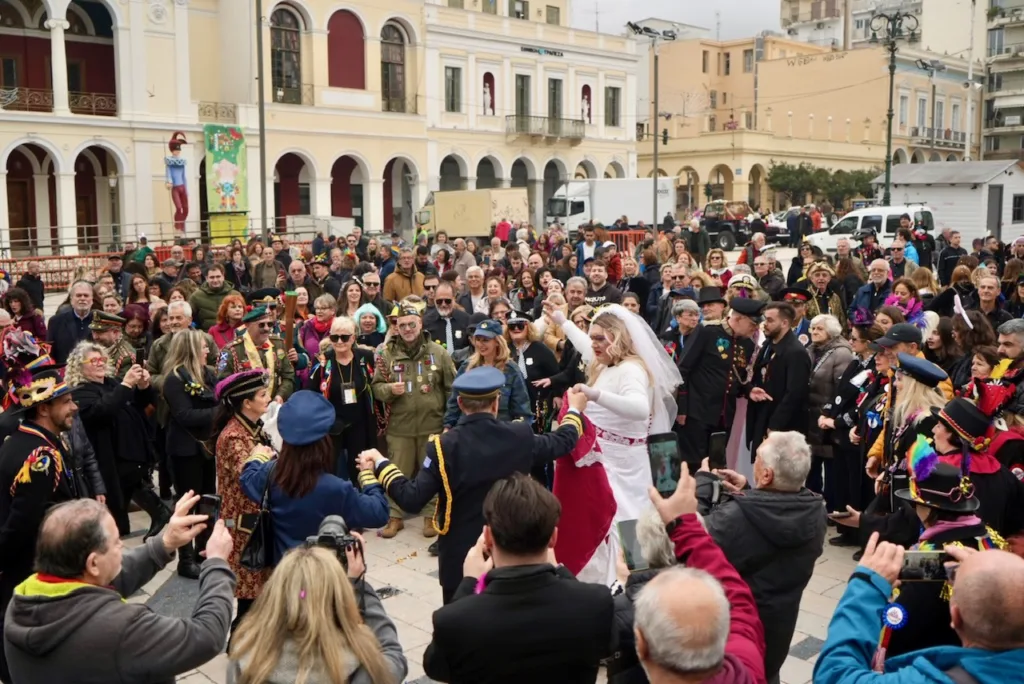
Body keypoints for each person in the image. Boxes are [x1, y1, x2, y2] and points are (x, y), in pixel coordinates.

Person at [362, 367, 585, 603]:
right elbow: (563, 441)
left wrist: (381, 463)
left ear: (460, 403)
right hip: (511, 551)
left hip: (461, 557)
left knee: (461, 623)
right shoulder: (519, 435)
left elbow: (412, 497)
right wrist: (574, 410)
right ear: (496, 403)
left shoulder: (443, 446)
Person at [3, 494, 236, 684]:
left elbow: (101, 586)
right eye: (115, 542)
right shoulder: (120, 630)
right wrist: (217, 563)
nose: (121, 545)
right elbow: (206, 636)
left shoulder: (23, 600)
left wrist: (164, 543)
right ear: (93, 563)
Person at [420, 473, 613, 681]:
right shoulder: (595, 603)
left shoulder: (454, 620)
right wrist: (560, 569)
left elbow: (436, 667)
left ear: (488, 537)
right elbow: (608, 645)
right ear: (553, 538)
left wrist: (468, 584)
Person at [545, 303, 682, 584]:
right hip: (606, 459)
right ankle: (602, 581)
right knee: (602, 520)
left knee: (626, 519)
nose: (593, 343)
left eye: (600, 338)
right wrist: (563, 321)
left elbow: (639, 408)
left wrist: (594, 396)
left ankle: (633, 582)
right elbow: (586, 346)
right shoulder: (608, 363)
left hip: (625, 465)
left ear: (618, 339)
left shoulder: (631, 369)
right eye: (592, 336)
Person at [697, 431, 826, 683]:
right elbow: (778, 515)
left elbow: (693, 540)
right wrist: (750, 490)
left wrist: (702, 485)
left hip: (733, 636)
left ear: (767, 475)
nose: (755, 463)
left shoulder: (734, 519)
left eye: (757, 458)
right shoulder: (817, 511)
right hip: (777, 635)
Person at [635, 463, 767, 684]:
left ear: (641, 645)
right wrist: (686, 527)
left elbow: (739, 603)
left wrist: (684, 526)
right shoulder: (746, 669)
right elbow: (741, 603)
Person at [240, 391, 390, 563]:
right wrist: (367, 475)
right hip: (324, 578)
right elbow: (378, 513)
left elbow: (246, 479)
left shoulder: (271, 474)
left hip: (283, 574)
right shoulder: (335, 488)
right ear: (324, 442)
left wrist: (258, 457)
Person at [0, 364, 80, 684]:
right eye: (66, 401)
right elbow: (23, 524)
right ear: (44, 408)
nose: (75, 406)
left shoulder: (22, 439)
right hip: (30, 574)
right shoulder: (41, 455)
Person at [227, 544, 407, 684]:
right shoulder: (364, 667)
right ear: (339, 600)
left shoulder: (244, 659)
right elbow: (393, 656)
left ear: (274, 597)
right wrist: (359, 585)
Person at [371, 299, 456, 540]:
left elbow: (452, 389)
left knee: (431, 472)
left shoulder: (438, 353)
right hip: (400, 426)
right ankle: (395, 516)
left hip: (433, 425)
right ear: (396, 327)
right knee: (397, 470)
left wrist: (450, 422)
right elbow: (376, 387)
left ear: (420, 324)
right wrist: (389, 390)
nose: (407, 329)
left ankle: (431, 515)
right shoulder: (387, 354)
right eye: (402, 325)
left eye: (412, 324)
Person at [67, 340, 167, 539]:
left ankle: (156, 515)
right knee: (116, 500)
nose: (100, 363)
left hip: (129, 451)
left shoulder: (111, 382)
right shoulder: (80, 390)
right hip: (107, 456)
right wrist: (127, 384)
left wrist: (143, 386)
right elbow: (101, 411)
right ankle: (154, 516)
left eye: (102, 359)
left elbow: (138, 404)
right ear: (79, 365)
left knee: (128, 490)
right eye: (93, 360)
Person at [212, 370, 274, 636]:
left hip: (255, 521)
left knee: (259, 592)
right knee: (249, 597)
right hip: (243, 528)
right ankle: (237, 645)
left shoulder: (253, 428)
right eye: (262, 395)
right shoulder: (234, 436)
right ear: (246, 403)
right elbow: (250, 478)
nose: (268, 398)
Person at [675, 298, 762, 470]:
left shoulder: (747, 344)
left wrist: (749, 390)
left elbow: (738, 377)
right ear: (738, 319)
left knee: (716, 464)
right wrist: (682, 409)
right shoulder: (707, 332)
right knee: (694, 463)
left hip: (723, 416)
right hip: (696, 411)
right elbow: (682, 370)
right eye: (752, 324)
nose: (755, 329)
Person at [162, 329, 218, 579]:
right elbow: (185, 415)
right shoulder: (174, 380)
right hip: (185, 450)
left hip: (206, 448)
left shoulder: (208, 374)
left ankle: (203, 551)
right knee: (187, 504)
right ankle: (185, 560)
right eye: (203, 347)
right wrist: (220, 412)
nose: (207, 351)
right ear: (192, 350)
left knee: (207, 501)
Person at [307, 316, 377, 481]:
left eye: (344, 337)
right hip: (332, 425)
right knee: (331, 470)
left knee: (359, 471)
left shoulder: (365, 357)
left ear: (353, 338)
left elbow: (375, 385)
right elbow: (310, 392)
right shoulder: (323, 361)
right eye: (334, 337)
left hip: (359, 423)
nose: (339, 341)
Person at [747, 302, 812, 458]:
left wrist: (775, 425)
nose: (765, 324)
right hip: (763, 415)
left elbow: (795, 393)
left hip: (782, 425)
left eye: (770, 320)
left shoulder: (795, 352)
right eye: (765, 320)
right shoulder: (769, 345)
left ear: (784, 323)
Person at [444, 318, 533, 427]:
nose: (481, 344)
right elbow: (454, 402)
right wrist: (448, 426)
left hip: (499, 431)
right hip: (469, 431)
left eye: (486, 340)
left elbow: (522, 410)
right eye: (478, 339)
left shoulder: (511, 370)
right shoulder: (467, 367)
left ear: (497, 341)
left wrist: (518, 432)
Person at [806, 314, 854, 509]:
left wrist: (829, 415)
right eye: (813, 328)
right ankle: (812, 505)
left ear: (831, 332)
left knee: (831, 467)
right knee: (812, 464)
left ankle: (833, 507)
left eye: (820, 329)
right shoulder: (811, 349)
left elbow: (841, 389)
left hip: (827, 419)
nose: (814, 332)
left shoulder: (842, 353)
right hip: (810, 417)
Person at [217, 305, 296, 402]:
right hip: (245, 408)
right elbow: (223, 384)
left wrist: (280, 396)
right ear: (247, 325)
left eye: (270, 324)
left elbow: (288, 376)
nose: (267, 328)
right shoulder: (231, 351)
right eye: (261, 325)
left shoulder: (278, 344)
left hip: (274, 406)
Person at [47, 280, 94, 364]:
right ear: (71, 300)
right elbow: (50, 353)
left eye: (86, 296)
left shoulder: (100, 321)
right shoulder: (56, 322)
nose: (82, 298)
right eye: (78, 295)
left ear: (92, 300)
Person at [424, 281, 471, 355]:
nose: (443, 304)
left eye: (447, 301)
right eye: (439, 301)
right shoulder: (426, 322)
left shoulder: (466, 319)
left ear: (454, 298)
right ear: (434, 299)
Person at [188, 263, 235, 330]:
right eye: (212, 277)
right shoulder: (196, 296)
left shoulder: (234, 295)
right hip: (206, 336)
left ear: (223, 277)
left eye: (218, 276)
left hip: (231, 335)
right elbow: (187, 316)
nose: (215, 280)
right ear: (207, 278)